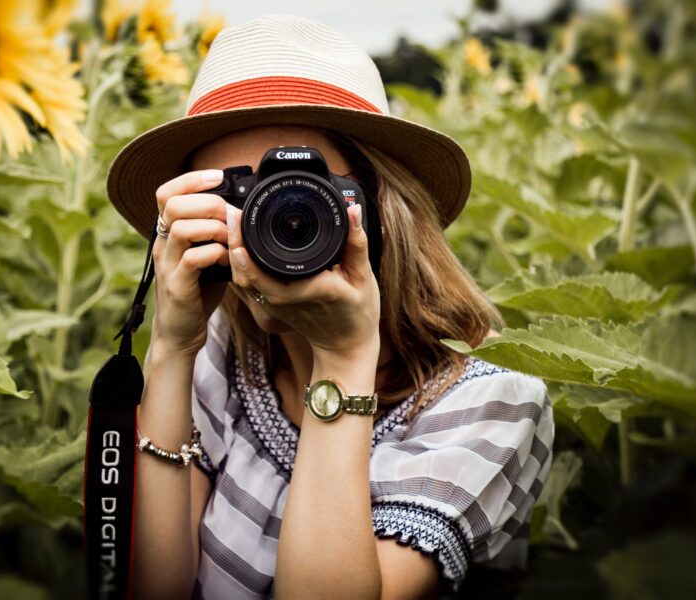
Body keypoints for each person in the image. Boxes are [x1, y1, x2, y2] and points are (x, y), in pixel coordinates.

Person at [105, 14, 554, 600]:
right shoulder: (224, 348)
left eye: (301, 190)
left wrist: (343, 357)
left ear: (380, 207)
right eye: (240, 194)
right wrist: (171, 345)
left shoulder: (495, 405)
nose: (274, 221)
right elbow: (151, 589)